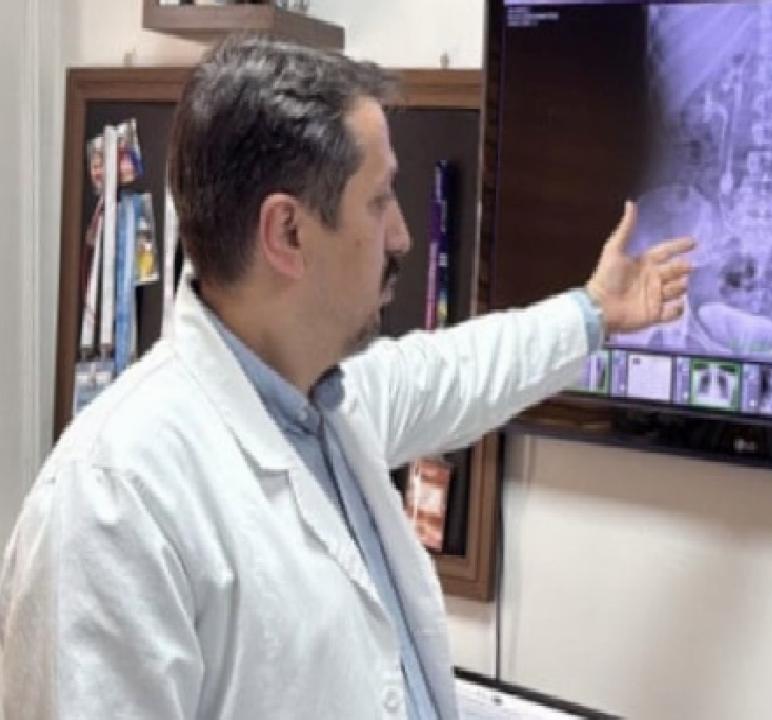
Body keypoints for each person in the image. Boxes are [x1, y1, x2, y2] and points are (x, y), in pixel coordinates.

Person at [0, 37, 693, 720]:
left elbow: (461, 369)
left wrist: (593, 313)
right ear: (288, 234)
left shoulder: (325, 402)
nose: (403, 236)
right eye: (380, 199)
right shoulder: (113, 500)